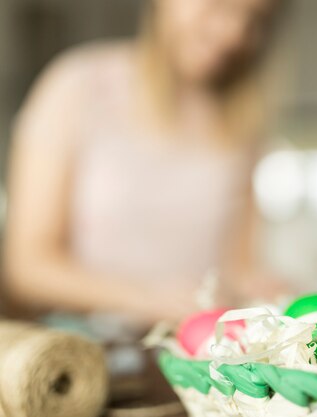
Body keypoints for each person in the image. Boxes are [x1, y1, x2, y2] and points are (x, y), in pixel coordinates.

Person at [3, 0, 289, 329]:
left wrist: (260, 286)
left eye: (256, 19)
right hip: (88, 348)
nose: (235, 33)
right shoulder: (78, 85)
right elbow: (27, 266)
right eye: (217, 5)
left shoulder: (241, 122)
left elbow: (239, 265)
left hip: (199, 347)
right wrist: (146, 299)